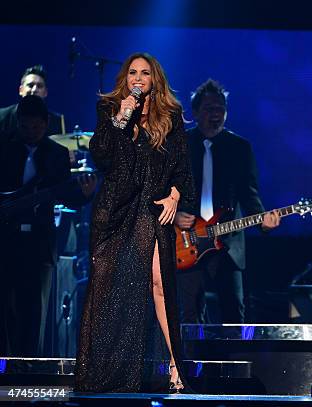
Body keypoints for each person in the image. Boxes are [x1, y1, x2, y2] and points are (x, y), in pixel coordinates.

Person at [75, 52, 196, 393]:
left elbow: (183, 170)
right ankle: (102, 370)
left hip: (151, 210)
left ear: (155, 79)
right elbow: (100, 154)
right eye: (132, 73)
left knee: (160, 282)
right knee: (107, 288)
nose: (138, 78)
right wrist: (123, 114)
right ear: (125, 79)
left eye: (145, 73)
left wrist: (174, 196)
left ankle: (176, 365)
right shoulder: (110, 109)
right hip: (114, 212)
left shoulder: (170, 116)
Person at [174, 79, 280, 325]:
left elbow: (249, 192)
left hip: (228, 242)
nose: (216, 115)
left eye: (220, 109)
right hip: (187, 241)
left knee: (234, 314)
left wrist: (263, 220)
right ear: (196, 112)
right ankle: (190, 364)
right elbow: (161, 191)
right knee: (189, 317)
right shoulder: (179, 146)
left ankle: (234, 363)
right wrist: (175, 214)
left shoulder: (240, 148)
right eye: (210, 109)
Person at [0, 95, 95, 357]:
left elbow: (65, 195)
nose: (31, 133)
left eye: (36, 127)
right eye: (26, 127)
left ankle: (30, 370)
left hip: (40, 243)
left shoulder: (57, 153)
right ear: (18, 123)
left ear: (45, 124)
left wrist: (85, 195)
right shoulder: (5, 147)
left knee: (35, 310)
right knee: (6, 310)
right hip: (7, 240)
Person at [0, 65, 66, 140]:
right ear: (21, 90)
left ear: (45, 93)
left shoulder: (57, 120)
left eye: (40, 86)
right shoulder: (2, 116)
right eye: (30, 85)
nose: (34, 90)